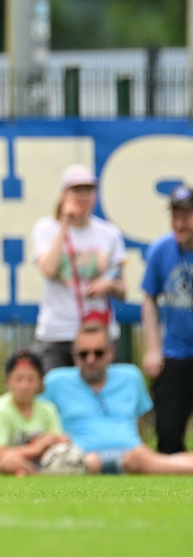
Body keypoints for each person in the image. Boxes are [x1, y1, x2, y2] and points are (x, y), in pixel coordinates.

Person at [42, 321, 193, 474]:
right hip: (83, 457)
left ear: (111, 353)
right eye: (83, 354)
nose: (90, 359)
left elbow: (138, 425)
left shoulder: (131, 376)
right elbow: (41, 421)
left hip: (132, 453)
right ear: (74, 354)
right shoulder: (55, 381)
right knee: (138, 459)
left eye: (98, 353)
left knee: (146, 457)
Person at [31, 164, 126, 371]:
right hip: (58, 332)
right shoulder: (46, 229)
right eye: (76, 190)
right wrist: (65, 222)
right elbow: (48, 269)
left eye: (88, 189)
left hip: (98, 334)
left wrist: (108, 283)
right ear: (63, 194)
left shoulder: (109, 234)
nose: (83, 196)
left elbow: (123, 291)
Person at [140, 183, 193, 454]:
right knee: (168, 437)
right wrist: (153, 349)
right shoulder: (162, 250)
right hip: (176, 353)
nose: (178, 223)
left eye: (186, 216)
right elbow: (149, 297)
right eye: (174, 215)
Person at [0, 349, 68, 476]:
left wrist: (60, 440)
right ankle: (39, 477)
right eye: (18, 379)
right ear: (8, 382)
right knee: (8, 460)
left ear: (40, 383)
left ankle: (29, 474)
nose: (24, 386)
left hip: (34, 463)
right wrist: (36, 448)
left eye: (31, 379)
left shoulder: (48, 409)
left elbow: (59, 441)